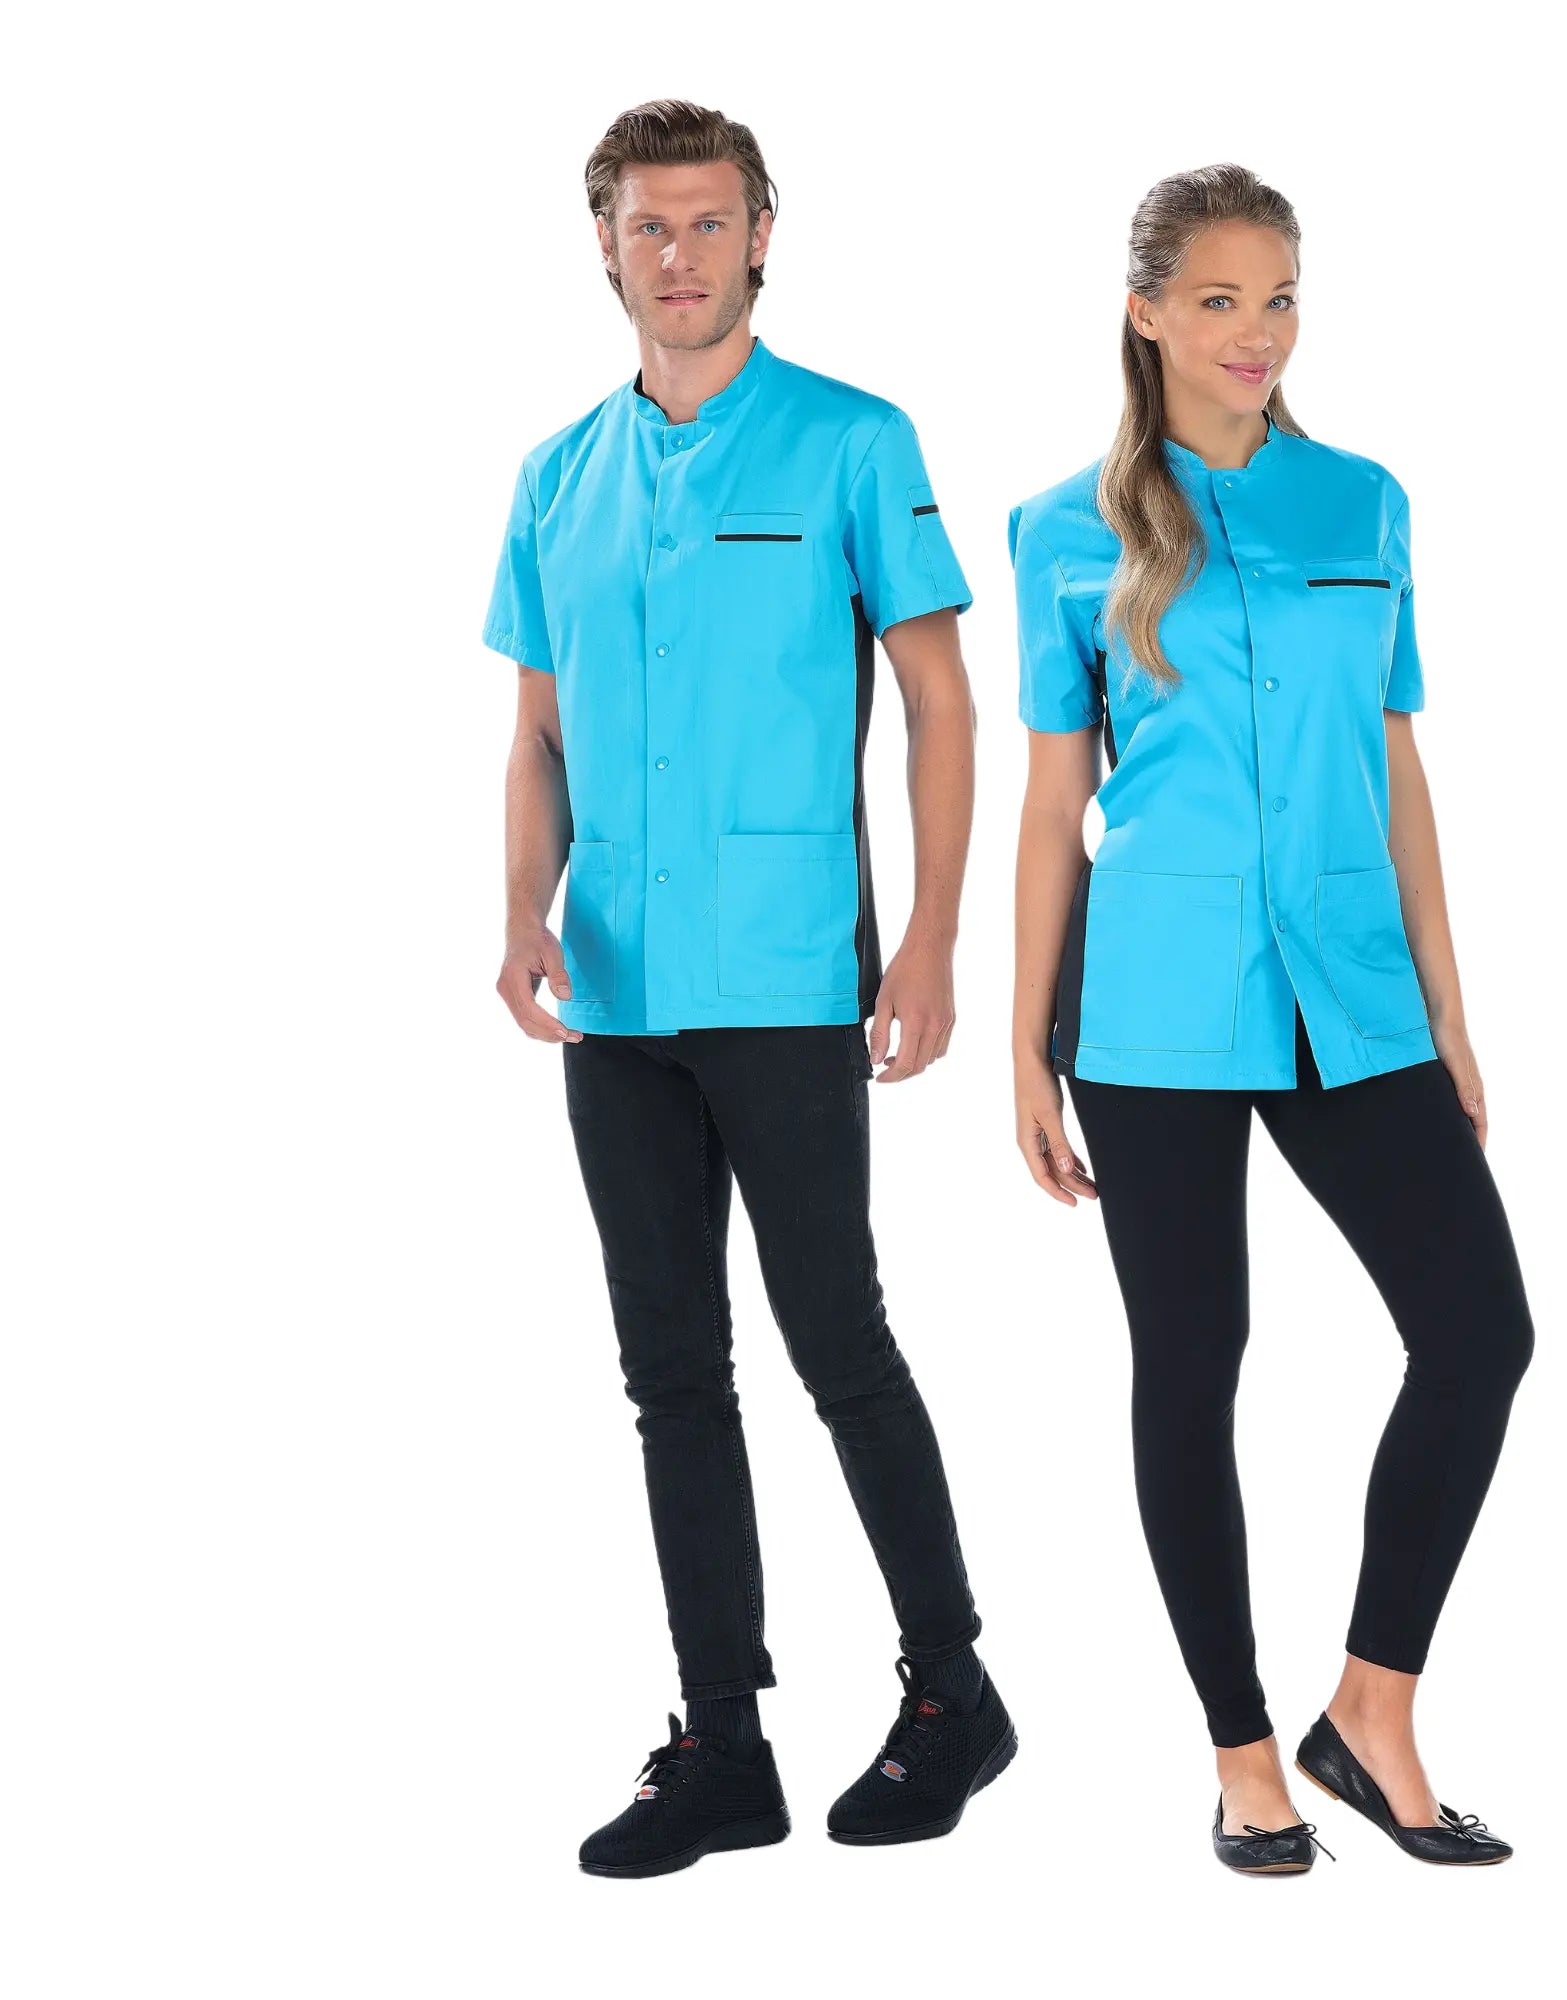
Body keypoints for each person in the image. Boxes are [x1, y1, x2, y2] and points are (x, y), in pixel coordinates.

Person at [483, 98, 1013, 1878]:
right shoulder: (556, 475)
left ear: (763, 235)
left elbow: (940, 701)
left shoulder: (855, 442)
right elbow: (536, 734)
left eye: (711, 223)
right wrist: (521, 908)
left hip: (789, 977)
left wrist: (930, 938)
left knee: (836, 1339)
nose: (681, 256)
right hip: (619, 997)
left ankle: (952, 1691)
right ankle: (724, 1744)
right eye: (649, 226)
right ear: (606, 246)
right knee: (668, 1373)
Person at [1009, 164, 1533, 1875]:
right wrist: (1024, 1046)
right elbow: (1054, 804)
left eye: (1282, 296)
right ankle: (1244, 1755)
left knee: (1480, 1333)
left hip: (1351, 989)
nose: (1258, 332)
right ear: (1147, 310)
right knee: (1192, 1367)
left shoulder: (1365, 504)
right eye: (1222, 299)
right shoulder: (1061, 530)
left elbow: (1396, 760)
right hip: (1152, 1002)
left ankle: (1369, 1708)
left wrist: (1449, 1008)